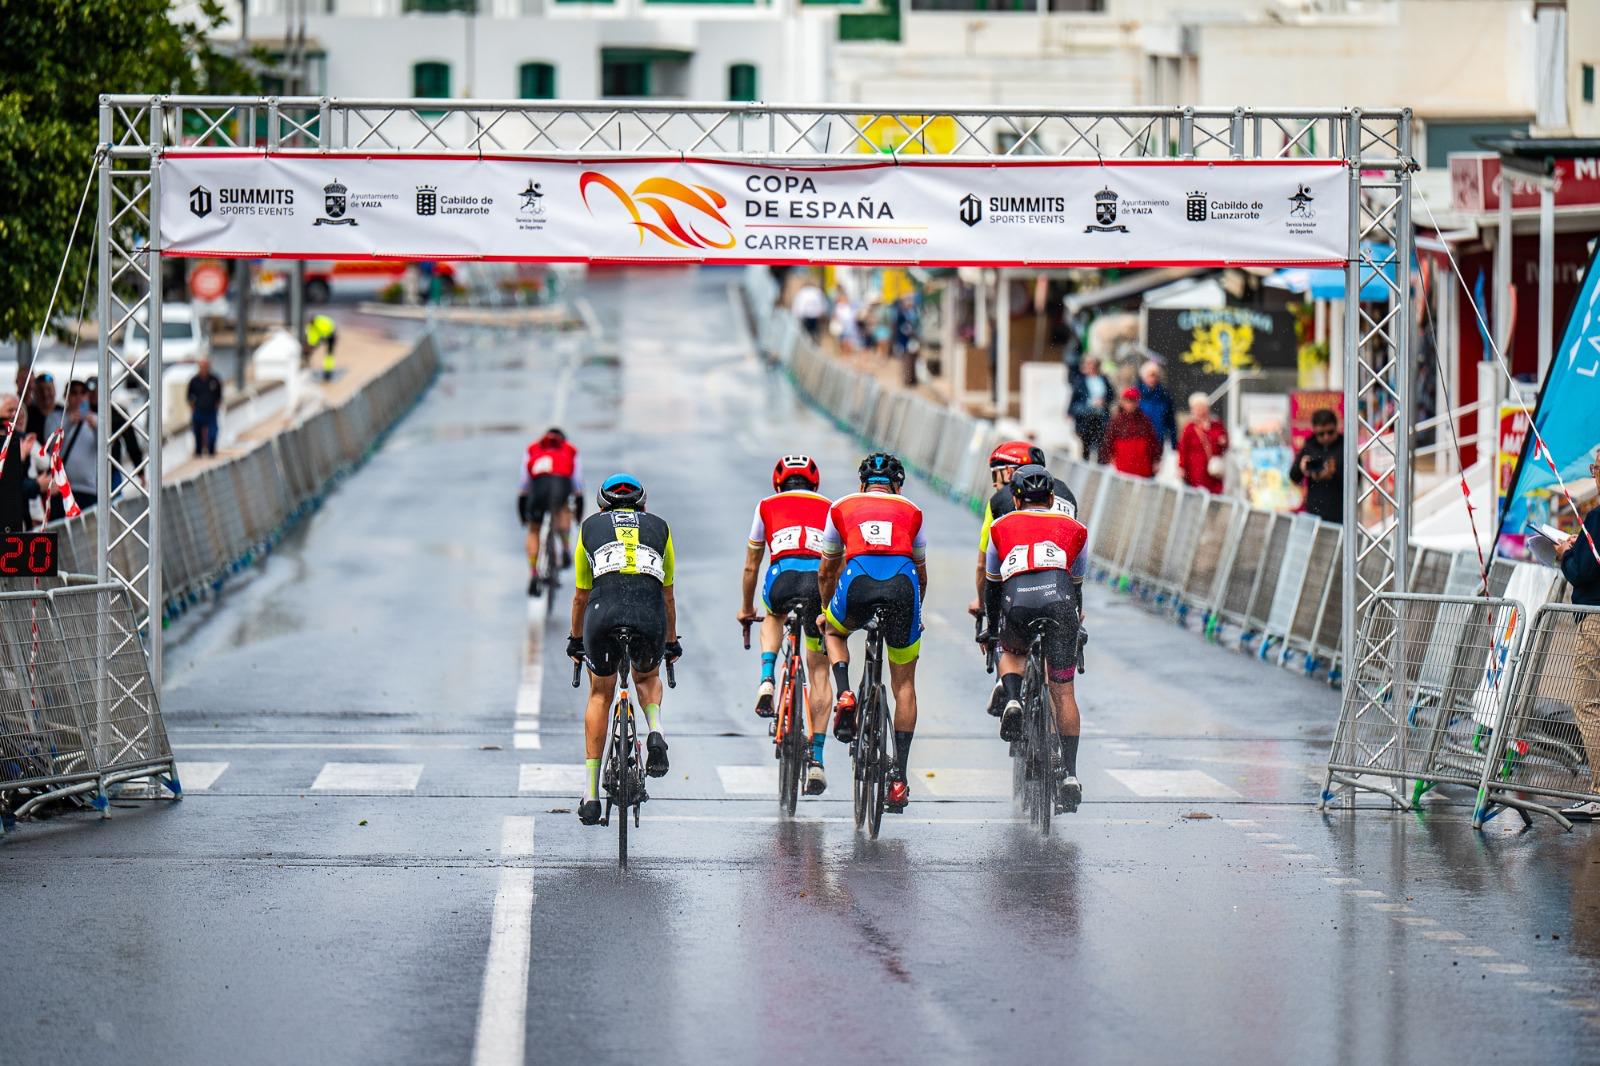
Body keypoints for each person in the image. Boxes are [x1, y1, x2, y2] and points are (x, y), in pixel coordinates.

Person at [565, 473, 681, 827]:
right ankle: (656, 729)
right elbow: (667, 594)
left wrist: (575, 640)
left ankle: (590, 794)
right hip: (649, 614)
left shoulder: (589, 528)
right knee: (646, 676)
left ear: (601, 507)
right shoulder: (660, 528)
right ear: (643, 506)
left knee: (601, 692)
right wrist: (671, 642)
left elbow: (581, 596)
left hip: (603, 614)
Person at [817, 452, 927, 813]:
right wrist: (915, 613)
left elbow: (826, 571)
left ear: (862, 483)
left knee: (833, 634)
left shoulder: (842, 506)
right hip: (903, 588)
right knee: (904, 686)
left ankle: (846, 692)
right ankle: (899, 777)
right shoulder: (912, 510)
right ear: (898, 485)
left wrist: (825, 612)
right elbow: (921, 573)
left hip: (858, 582)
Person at [984, 464, 1090, 813]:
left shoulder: (1001, 527)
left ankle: (1012, 698)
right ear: (1051, 497)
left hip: (1019, 604)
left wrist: (992, 627)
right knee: (1063, 691)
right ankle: (1071, 774)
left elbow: (992, 587)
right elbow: (1076, 589)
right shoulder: (1075, 529)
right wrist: (1076, 623)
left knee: (1009, 647)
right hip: (1060, 606)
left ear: (1015, 498)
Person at [737, 455, 835, 795]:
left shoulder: (766, 505)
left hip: (782, 579)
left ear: (778, 483)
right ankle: (818, 759)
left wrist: (747, 609)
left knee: (774, 614)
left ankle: (767, 677)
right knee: (818, 671)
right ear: (815, 484)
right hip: (818, 586)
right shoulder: (830, 508)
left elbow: (752, 565)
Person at [1555, 448, 1600, 821]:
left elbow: (1584, 572)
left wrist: (1565, 555)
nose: (1594, 474)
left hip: (1594, 621)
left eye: (1596, 469)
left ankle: (1599, 791)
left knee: (1587, 704)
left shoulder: (1597, 518)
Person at [518, 427, 583, 596]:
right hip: (560, 485)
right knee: (563, 510)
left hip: (538, 487)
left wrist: (523, 513)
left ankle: (533, 571)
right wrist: (578, 513)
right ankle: (566, 548)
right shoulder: (570, 450)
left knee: (534, 530)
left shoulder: (532, 449)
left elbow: (524, 484)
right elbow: (577, 485)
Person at [0, 395, 48, 531]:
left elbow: (47, 462)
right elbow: (6, 488)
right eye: (10, 410)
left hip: (19, 522)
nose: (16, 415)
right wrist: (37, 485)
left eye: (19, 410)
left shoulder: (21, 440)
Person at [52, 379, 98, 517]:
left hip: (88, 489)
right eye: (74, 393)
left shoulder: (96, 419)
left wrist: (95, 426)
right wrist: (69, 423)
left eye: (83, 393)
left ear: (88, 397)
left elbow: (106, 447)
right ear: (66, 397)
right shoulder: (56, 418)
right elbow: (51, 447)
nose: (79, 397)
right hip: (61, 489)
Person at [1290, 408, 1343, 524]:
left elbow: (1357, 477)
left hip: (1340, 512)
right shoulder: (1310, 445)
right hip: (1314, 513)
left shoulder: (1345, 445)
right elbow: (1293, 476)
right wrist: (1302, 467)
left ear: (1336, 427)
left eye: (1330, 432)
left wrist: (1334, 472)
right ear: (1314, 430)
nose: (1326, 437)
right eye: (1320, 434)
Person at [1102, 386, 1161, 477]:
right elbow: (1108, 441)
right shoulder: (1116, 421)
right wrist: (1110, 457)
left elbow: (1153, 442)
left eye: (1133, 401)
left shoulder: (1144, 421)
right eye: (1128, 400)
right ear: (1122, 402)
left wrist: (1156, 460)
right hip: (1122, 469)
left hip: (1142, 469)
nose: (1130, 404)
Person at [1178, 391, 1229, 494]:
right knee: (1198, 496)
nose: (1200, 410)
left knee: (1214, 496)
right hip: (1195, 471)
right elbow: (1183, 448)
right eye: (1197, 407)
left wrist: (1223, 442)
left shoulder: (1216, 425)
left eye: (1202, 407)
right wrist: (1181, 466)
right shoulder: (1190, 428)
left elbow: (1225, 444)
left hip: (1213, 470)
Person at [1068, 355, 1113, 464]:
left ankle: (1099, 469)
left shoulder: (1103, 379)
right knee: (1085, 446)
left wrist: (1104, 402)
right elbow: (1074, 398)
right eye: (1087, 364)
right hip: (1086, 417)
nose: (1090, 367)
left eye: (1092, 364)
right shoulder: (1080, 381)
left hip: (1101, 416)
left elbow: (1111, 395)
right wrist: (1070, 412)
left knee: (1101, 445)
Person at [1136, 360, 1178, 456]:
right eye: (1151, 375)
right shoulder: (1136, 395)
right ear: (1143, 376)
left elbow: (1171, 420)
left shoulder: (1164, 395)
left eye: (1156, 375)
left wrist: (1174, 443)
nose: (1153, 378)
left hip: (1158, 438)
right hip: (1140, 439)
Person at [186, 358, 224, 457]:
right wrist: (193, 408)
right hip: (198, 411)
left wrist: (216, 407)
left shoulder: (214, 380)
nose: (204, 369)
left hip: (211, 412)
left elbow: (219, 396)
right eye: (202, 367)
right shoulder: (194, 381)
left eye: (205, 367)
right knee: (197, 434)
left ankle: (211, 450)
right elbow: (189, 397)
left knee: (212, 433)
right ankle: (198, 452)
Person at [306, 313, 338, 381]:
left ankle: (328, 372)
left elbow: (331, 327)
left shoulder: (322, 321)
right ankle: (307, 365)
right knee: (310, 352)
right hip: (324, 336)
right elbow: (312, 338)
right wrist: (312, 346)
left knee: (329, 354)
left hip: (330, 335)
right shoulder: (311, 327)